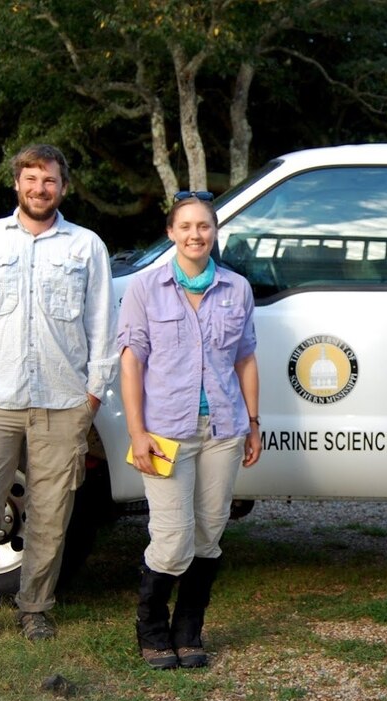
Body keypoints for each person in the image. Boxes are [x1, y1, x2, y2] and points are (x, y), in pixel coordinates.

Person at [0, 143, 118, 644]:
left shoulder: (86, 247)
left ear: (63, 186)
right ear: (17, 183)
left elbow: (104, 327)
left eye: (50, 180)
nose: (40, 188)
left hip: (63, 404)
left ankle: (35, 606)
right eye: (31, 178)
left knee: (51, 511)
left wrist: (91, 399)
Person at [118, 191, 261, 670]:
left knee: (209, 532)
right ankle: (151, 628)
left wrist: (253, 423)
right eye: (186, 226)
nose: (195, 235)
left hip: (223, 428)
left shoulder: (236, 289)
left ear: (214, 232)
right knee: (172, 536)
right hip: (163, 432)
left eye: (204, 226)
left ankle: (188, 629)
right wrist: (136, 432)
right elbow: (131, 361)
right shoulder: (143, 288)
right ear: (170, 233)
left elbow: (245, 358)